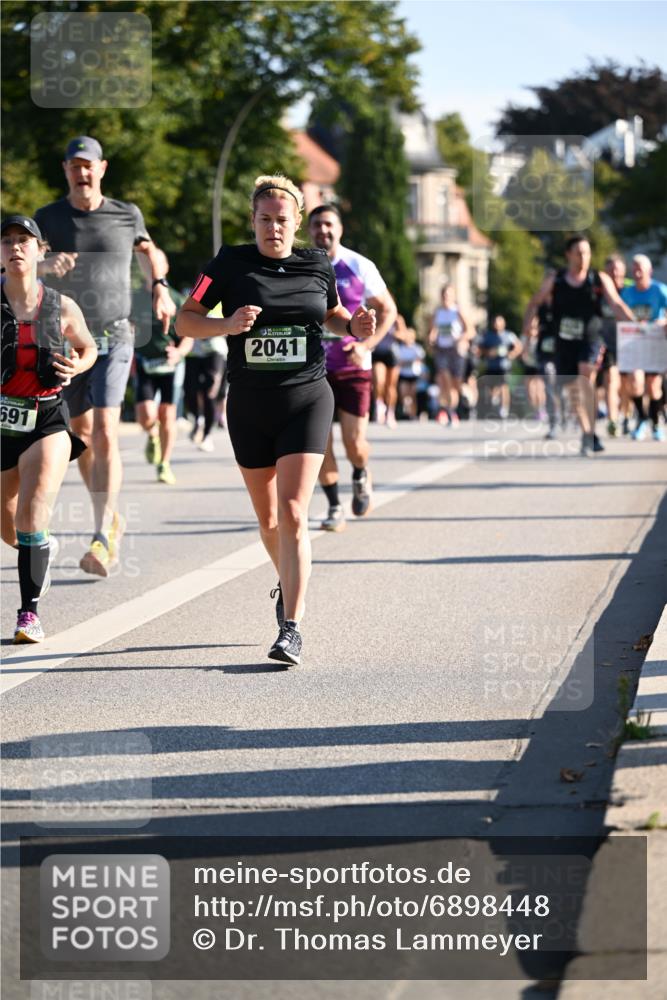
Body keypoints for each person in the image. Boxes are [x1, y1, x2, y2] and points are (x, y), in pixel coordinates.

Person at [176, 175, 376, 665]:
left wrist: (353, 325)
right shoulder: (228, 263)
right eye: (264, 219)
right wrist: (225, 325)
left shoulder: (317, 262)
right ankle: (289, 578)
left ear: (297, 222)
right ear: (253, 221)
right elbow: (185, 320)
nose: (273, 228)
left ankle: (291, 625)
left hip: (306, 398)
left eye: (282, 220)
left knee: (291, 512)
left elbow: (329, 313)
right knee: (267, 520)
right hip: (248, 403)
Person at [34, 136, 175, 576]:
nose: (82, 173)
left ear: (102, 169)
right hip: (66, 339)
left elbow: (151, 253)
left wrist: (160, 288)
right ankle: (109, 514)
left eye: (89, 165)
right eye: (74, 166)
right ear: (66, 170)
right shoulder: (48, 218)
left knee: (107, 429)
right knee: (82, 437)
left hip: (116, 334)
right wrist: (44, 266)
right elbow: (19, 266)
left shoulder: (126, 214)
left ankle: (100, 533)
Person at [1, 215, 97, 642]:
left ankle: (29, 614)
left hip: (45, 418)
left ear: (42, 250)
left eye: (24, 241)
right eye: (6, 241)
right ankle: (40, 545)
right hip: (2, 420)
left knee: (31, 509)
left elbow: (88, 346)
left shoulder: (61, 306)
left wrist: (78, 364)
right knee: (10, 522)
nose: (15, 248)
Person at [307, 204, 397, 532]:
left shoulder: (359, 265)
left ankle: (360, 472)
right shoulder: (302, 266)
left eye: (328, 224)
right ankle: (333, 506)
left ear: (340, 229)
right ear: (309, 230)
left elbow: (388, 310)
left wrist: (366, 345)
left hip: (353, 366)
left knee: (353, 443)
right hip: (313, 368)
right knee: (319, 443)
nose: (323, 231)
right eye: (316, 225)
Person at [523, 235, 634, 454]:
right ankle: (588, 433)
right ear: (569, 255)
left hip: (591, 338)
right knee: (574, 390)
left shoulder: (598, 279)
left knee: (585, 377)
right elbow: (534, 303)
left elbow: (617, 303)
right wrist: (528, 327)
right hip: (564, 342)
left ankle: (590, 432)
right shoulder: (556, 280)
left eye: (587, 252)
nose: (583, 257)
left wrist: (637, 326)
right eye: (578, 253)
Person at [131, 249, 192, 484]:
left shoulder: (175, 299)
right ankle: (152, 435)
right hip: (145, 363)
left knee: (167, 414)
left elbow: (189, 335)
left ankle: (164, 464)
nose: (151, 268)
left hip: (171, 365)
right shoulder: (135, 299)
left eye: (156, 263)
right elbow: (126, 328)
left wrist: (179, 352)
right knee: (145, 416)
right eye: (147, 264)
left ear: (164, 268)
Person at [621, 254, 667, 442]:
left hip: (655, 342)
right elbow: (621, 315)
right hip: (635, 342)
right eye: (634, 268)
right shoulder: (627, 293)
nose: (637, 272)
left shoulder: (660, 290)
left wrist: (663, 320)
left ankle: (656, 423)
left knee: (654, 386)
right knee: (635, 382)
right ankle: (641, 418)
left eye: (641, 268)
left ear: (649, 271)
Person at [427, 283, 474, 426]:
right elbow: (433, 330)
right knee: (444, 380)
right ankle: (450, 413)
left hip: (456, 351)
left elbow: (471, 331)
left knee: (455, 385)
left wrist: (461, 339)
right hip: (442, 350)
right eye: (444, 295)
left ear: (453, 296)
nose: (446, 297)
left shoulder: (458, 311)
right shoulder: (438, 312)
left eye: (449, 295)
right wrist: (431, 337)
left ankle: (463, 397)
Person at [183, 321, 227, 452]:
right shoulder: (188, 300)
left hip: (215, 351)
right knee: (189, 391)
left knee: (210, 393)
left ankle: (207, 435)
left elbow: (230, 325)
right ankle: (197, 419)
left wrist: (208, 330)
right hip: (192, 352)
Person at [599, 254, 628, 437]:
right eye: (610, 269)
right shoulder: (599, 292)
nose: (614, 272)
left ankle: (627, 414)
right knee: (610, 379)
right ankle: (613, 421)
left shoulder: (632, 289)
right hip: (607, 342)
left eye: (618, 269)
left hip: (629, 343)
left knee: (627, 385)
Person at [477, 315, 522, 419]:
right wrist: (488, 352)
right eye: (495, 323)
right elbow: (480, 348)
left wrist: (512, 354)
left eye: (499, 323)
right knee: (491, 387)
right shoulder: (488, 335)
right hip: (491, 365)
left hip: (504, 366)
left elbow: (519, 346)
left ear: (503, 324)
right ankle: (495, 400)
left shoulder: (509, 335)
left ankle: (504, 409)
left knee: (503, 385)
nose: (497, 325)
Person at [372, 314, 405, 428]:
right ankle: (379, 405)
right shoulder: (375, 316)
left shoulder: (396, 318)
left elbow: (403, 336)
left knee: (390, 386)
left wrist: (394, 333)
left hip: (392, 353)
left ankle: (390, 412)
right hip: (378, 353)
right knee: (378, 381)